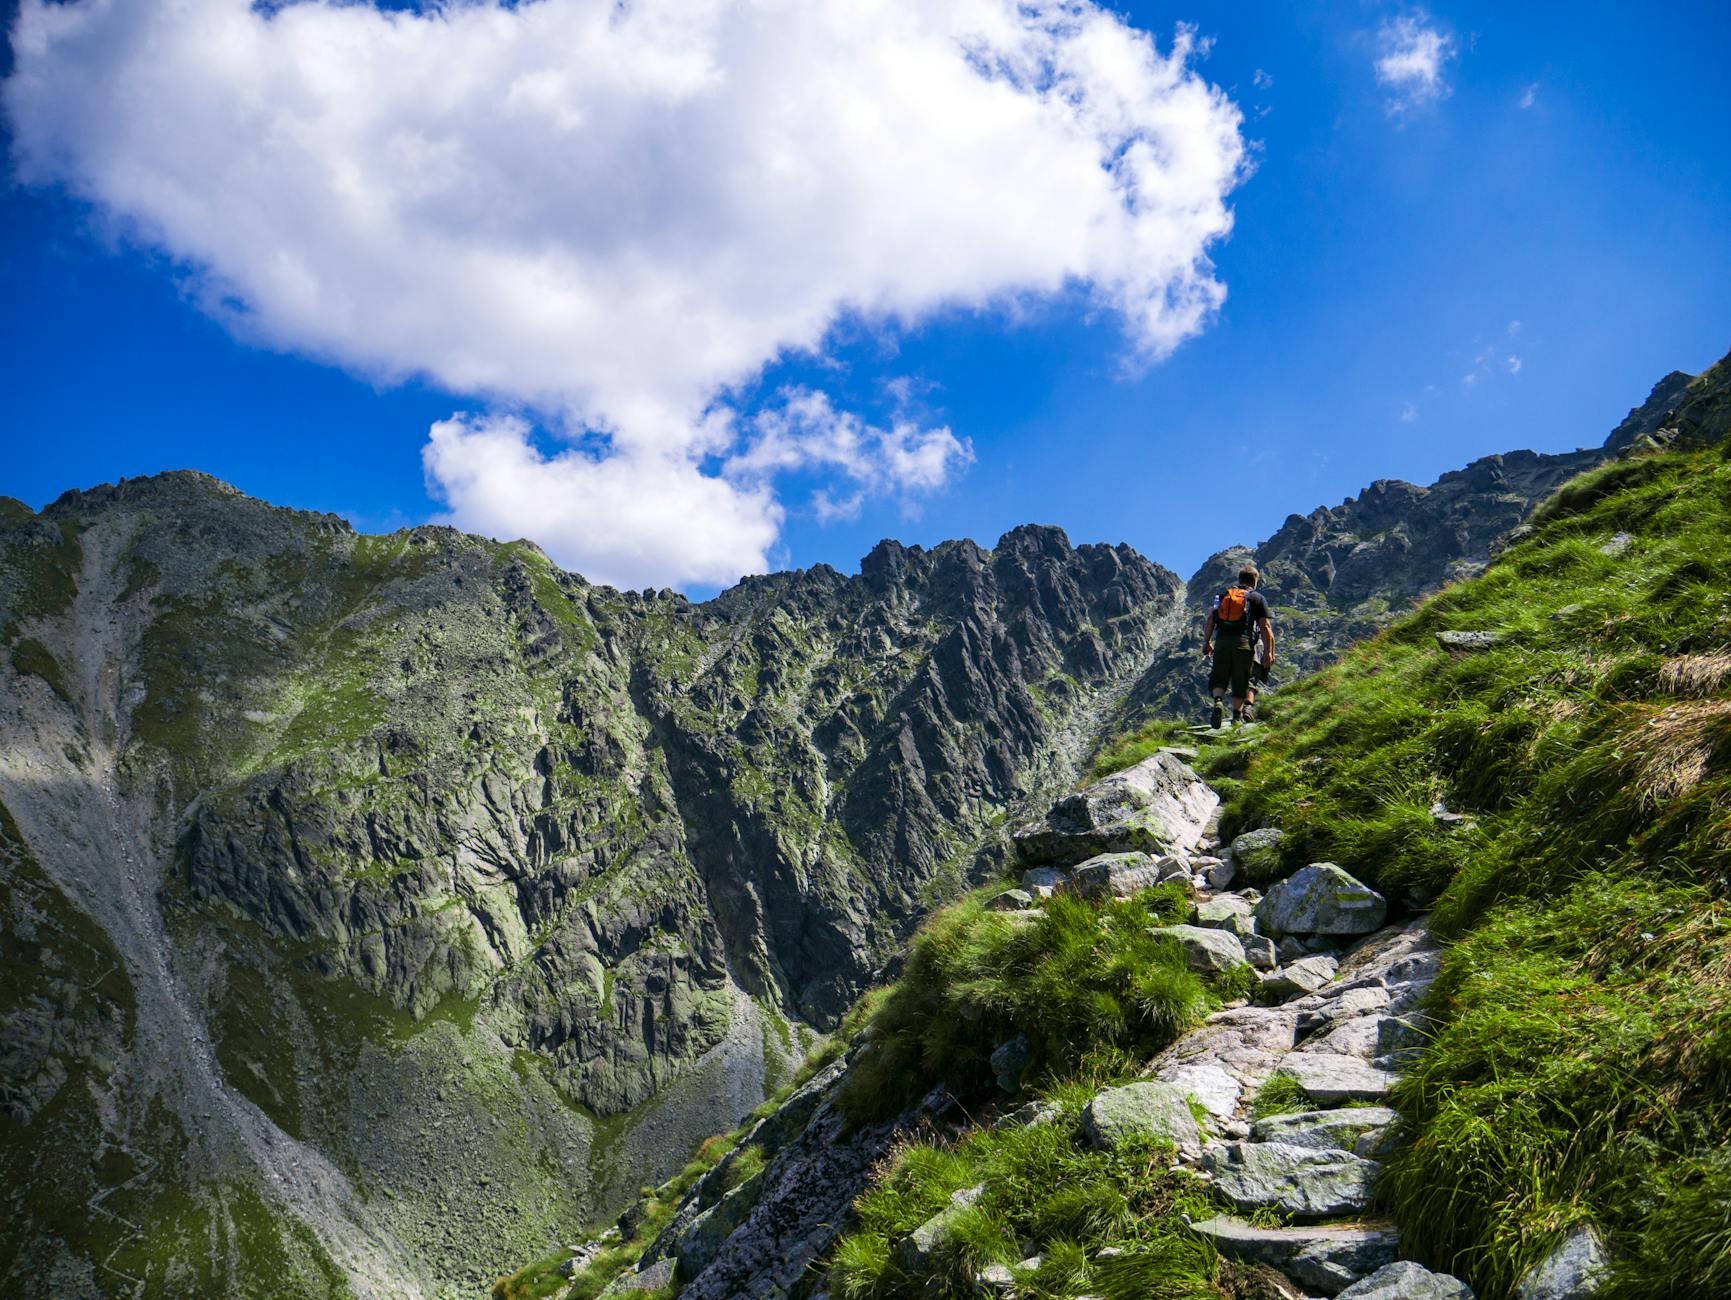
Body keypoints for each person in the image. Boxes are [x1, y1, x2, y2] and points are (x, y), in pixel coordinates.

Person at [1202, 564, 1275, 728]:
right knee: (1241, 679)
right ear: (1254, 581)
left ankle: (1218, 702)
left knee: (1219, 676)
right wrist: (1269, 652)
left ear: (1240, 579)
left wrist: (1207, 642)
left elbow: (1210, 620)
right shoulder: (1256, 598)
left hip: (1221, 641)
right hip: (1244, 642)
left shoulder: (1222, 596)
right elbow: (1265, 627)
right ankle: (1237, 716)